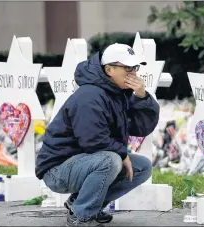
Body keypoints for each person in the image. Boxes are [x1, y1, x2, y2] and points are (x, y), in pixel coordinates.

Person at [35, 43, 160, 226]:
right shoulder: (90, 95)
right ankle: (81, 215)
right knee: (111, 160)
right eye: (127, 67)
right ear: (109, 69)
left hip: (85, 161)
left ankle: (83, 204)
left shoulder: (117, 93)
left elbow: (140, 128)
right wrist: (122, 154)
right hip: (57, 170)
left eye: (135, 67)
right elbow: (93, 140)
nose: (133, 72)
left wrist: (142, 97)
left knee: (143, 166)